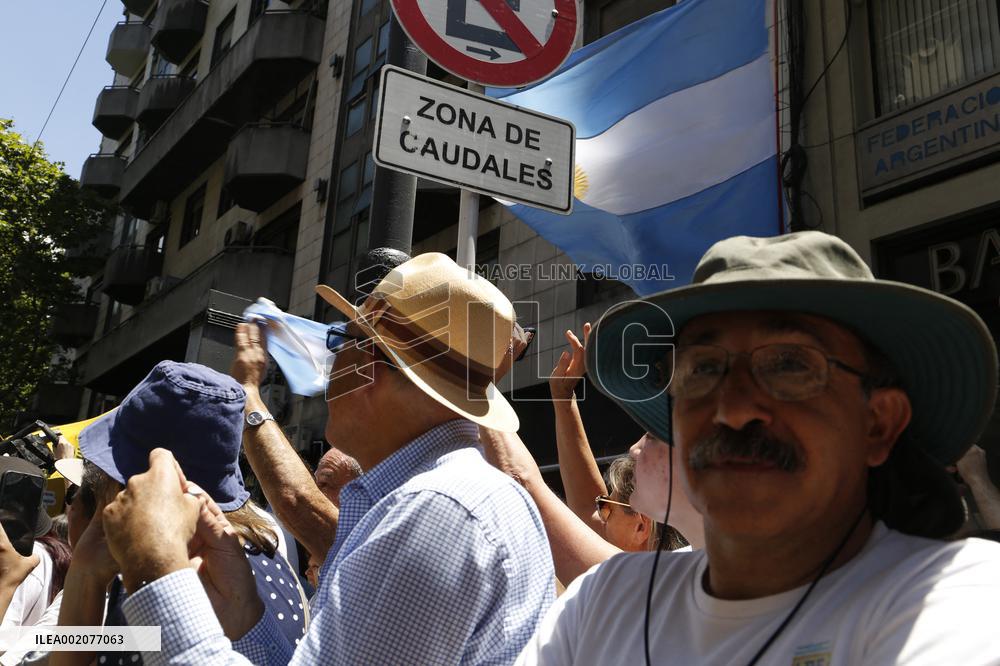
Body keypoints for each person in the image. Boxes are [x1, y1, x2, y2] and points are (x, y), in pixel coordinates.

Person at [518, 231, 1000, 664]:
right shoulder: (603, 604)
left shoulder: (958, 602)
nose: (732, 410)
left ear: (878, 424)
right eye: (701, 369)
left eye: (789, 365)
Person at [102, 252, 556, 665]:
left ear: (369, 365)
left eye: (342, 340)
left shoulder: (437, 511)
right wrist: (242, 613)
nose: (332, 361)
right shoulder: (444, 500)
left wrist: (156, 570)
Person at [52, 362, 307, 666]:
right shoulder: (266, 551)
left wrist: (85, 577)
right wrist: (86, 571)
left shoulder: (155, 581)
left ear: (125, 484)